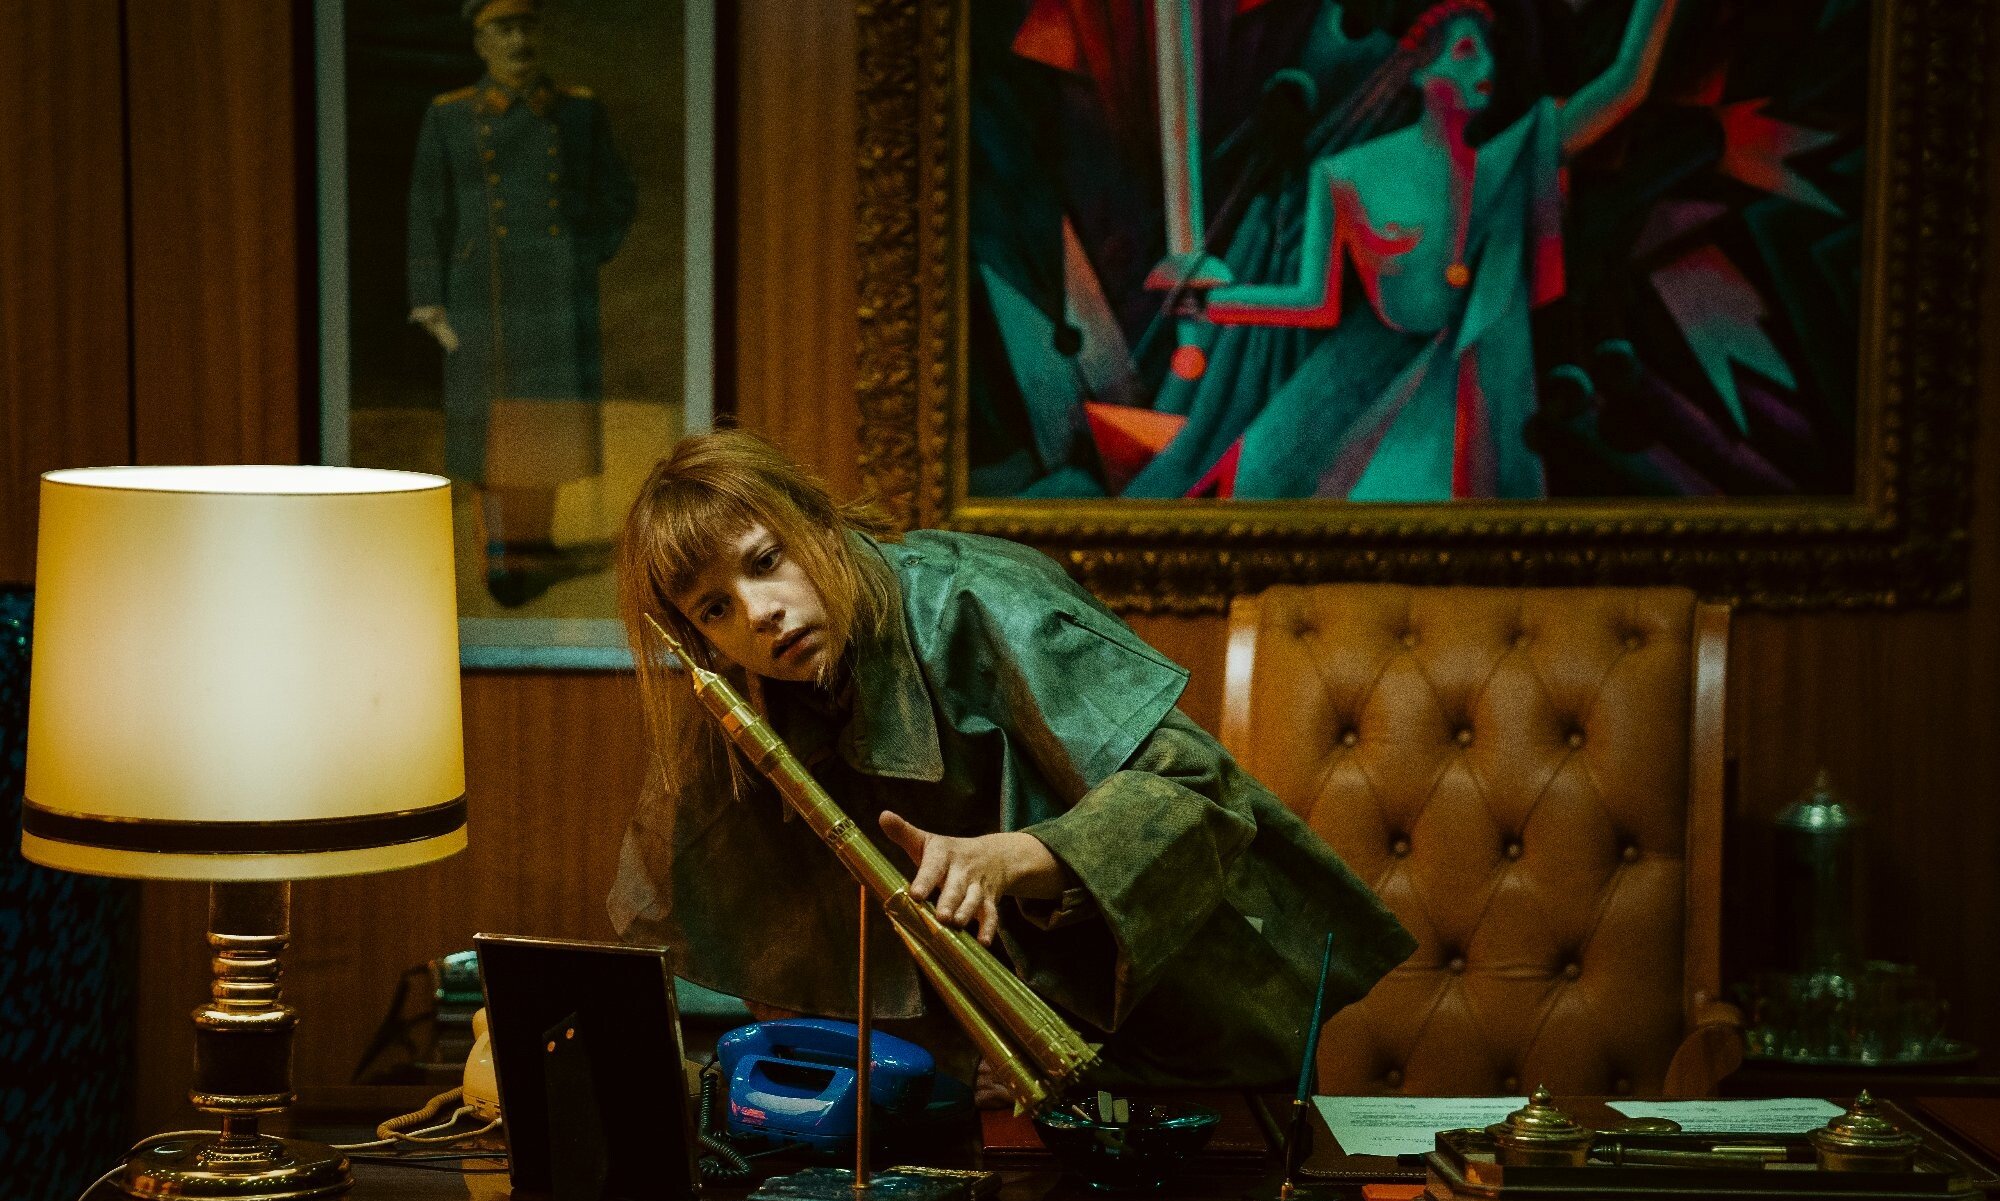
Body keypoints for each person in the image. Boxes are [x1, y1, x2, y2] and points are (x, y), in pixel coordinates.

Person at [606, 431, 1416, 1097]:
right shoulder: (736, 702)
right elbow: (736, 929)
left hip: (1192, 1056)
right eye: (715, 607)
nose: (758, 613)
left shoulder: (981, 600)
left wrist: (1009, 859)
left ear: (817, 524)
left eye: (764, 561)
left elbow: (1197, 787)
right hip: (1001, 1099)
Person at [1126, 0, 1680, 501]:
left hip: (1462, 387)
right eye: (1466, 51)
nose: (1484, 68)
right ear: (1419, 70)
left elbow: (1623, 88)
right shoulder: (1350, 173)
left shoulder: (1504, 164)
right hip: (1353, 384)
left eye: (1488, 52)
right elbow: (1312, 302)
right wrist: (1208, 302)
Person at [407, 0, 637, 606]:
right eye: (503, 29)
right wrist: (428, 298)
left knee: (547, 419)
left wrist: (584, 253)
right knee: (488, 425)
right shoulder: (451, 114)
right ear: (480, 41)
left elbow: (616, 193)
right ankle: (499, 554)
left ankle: (536, 548)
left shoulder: (579, 111)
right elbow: (427, 209)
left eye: (526, 26)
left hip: (557, 293)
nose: (518, 41)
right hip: (480, 296)